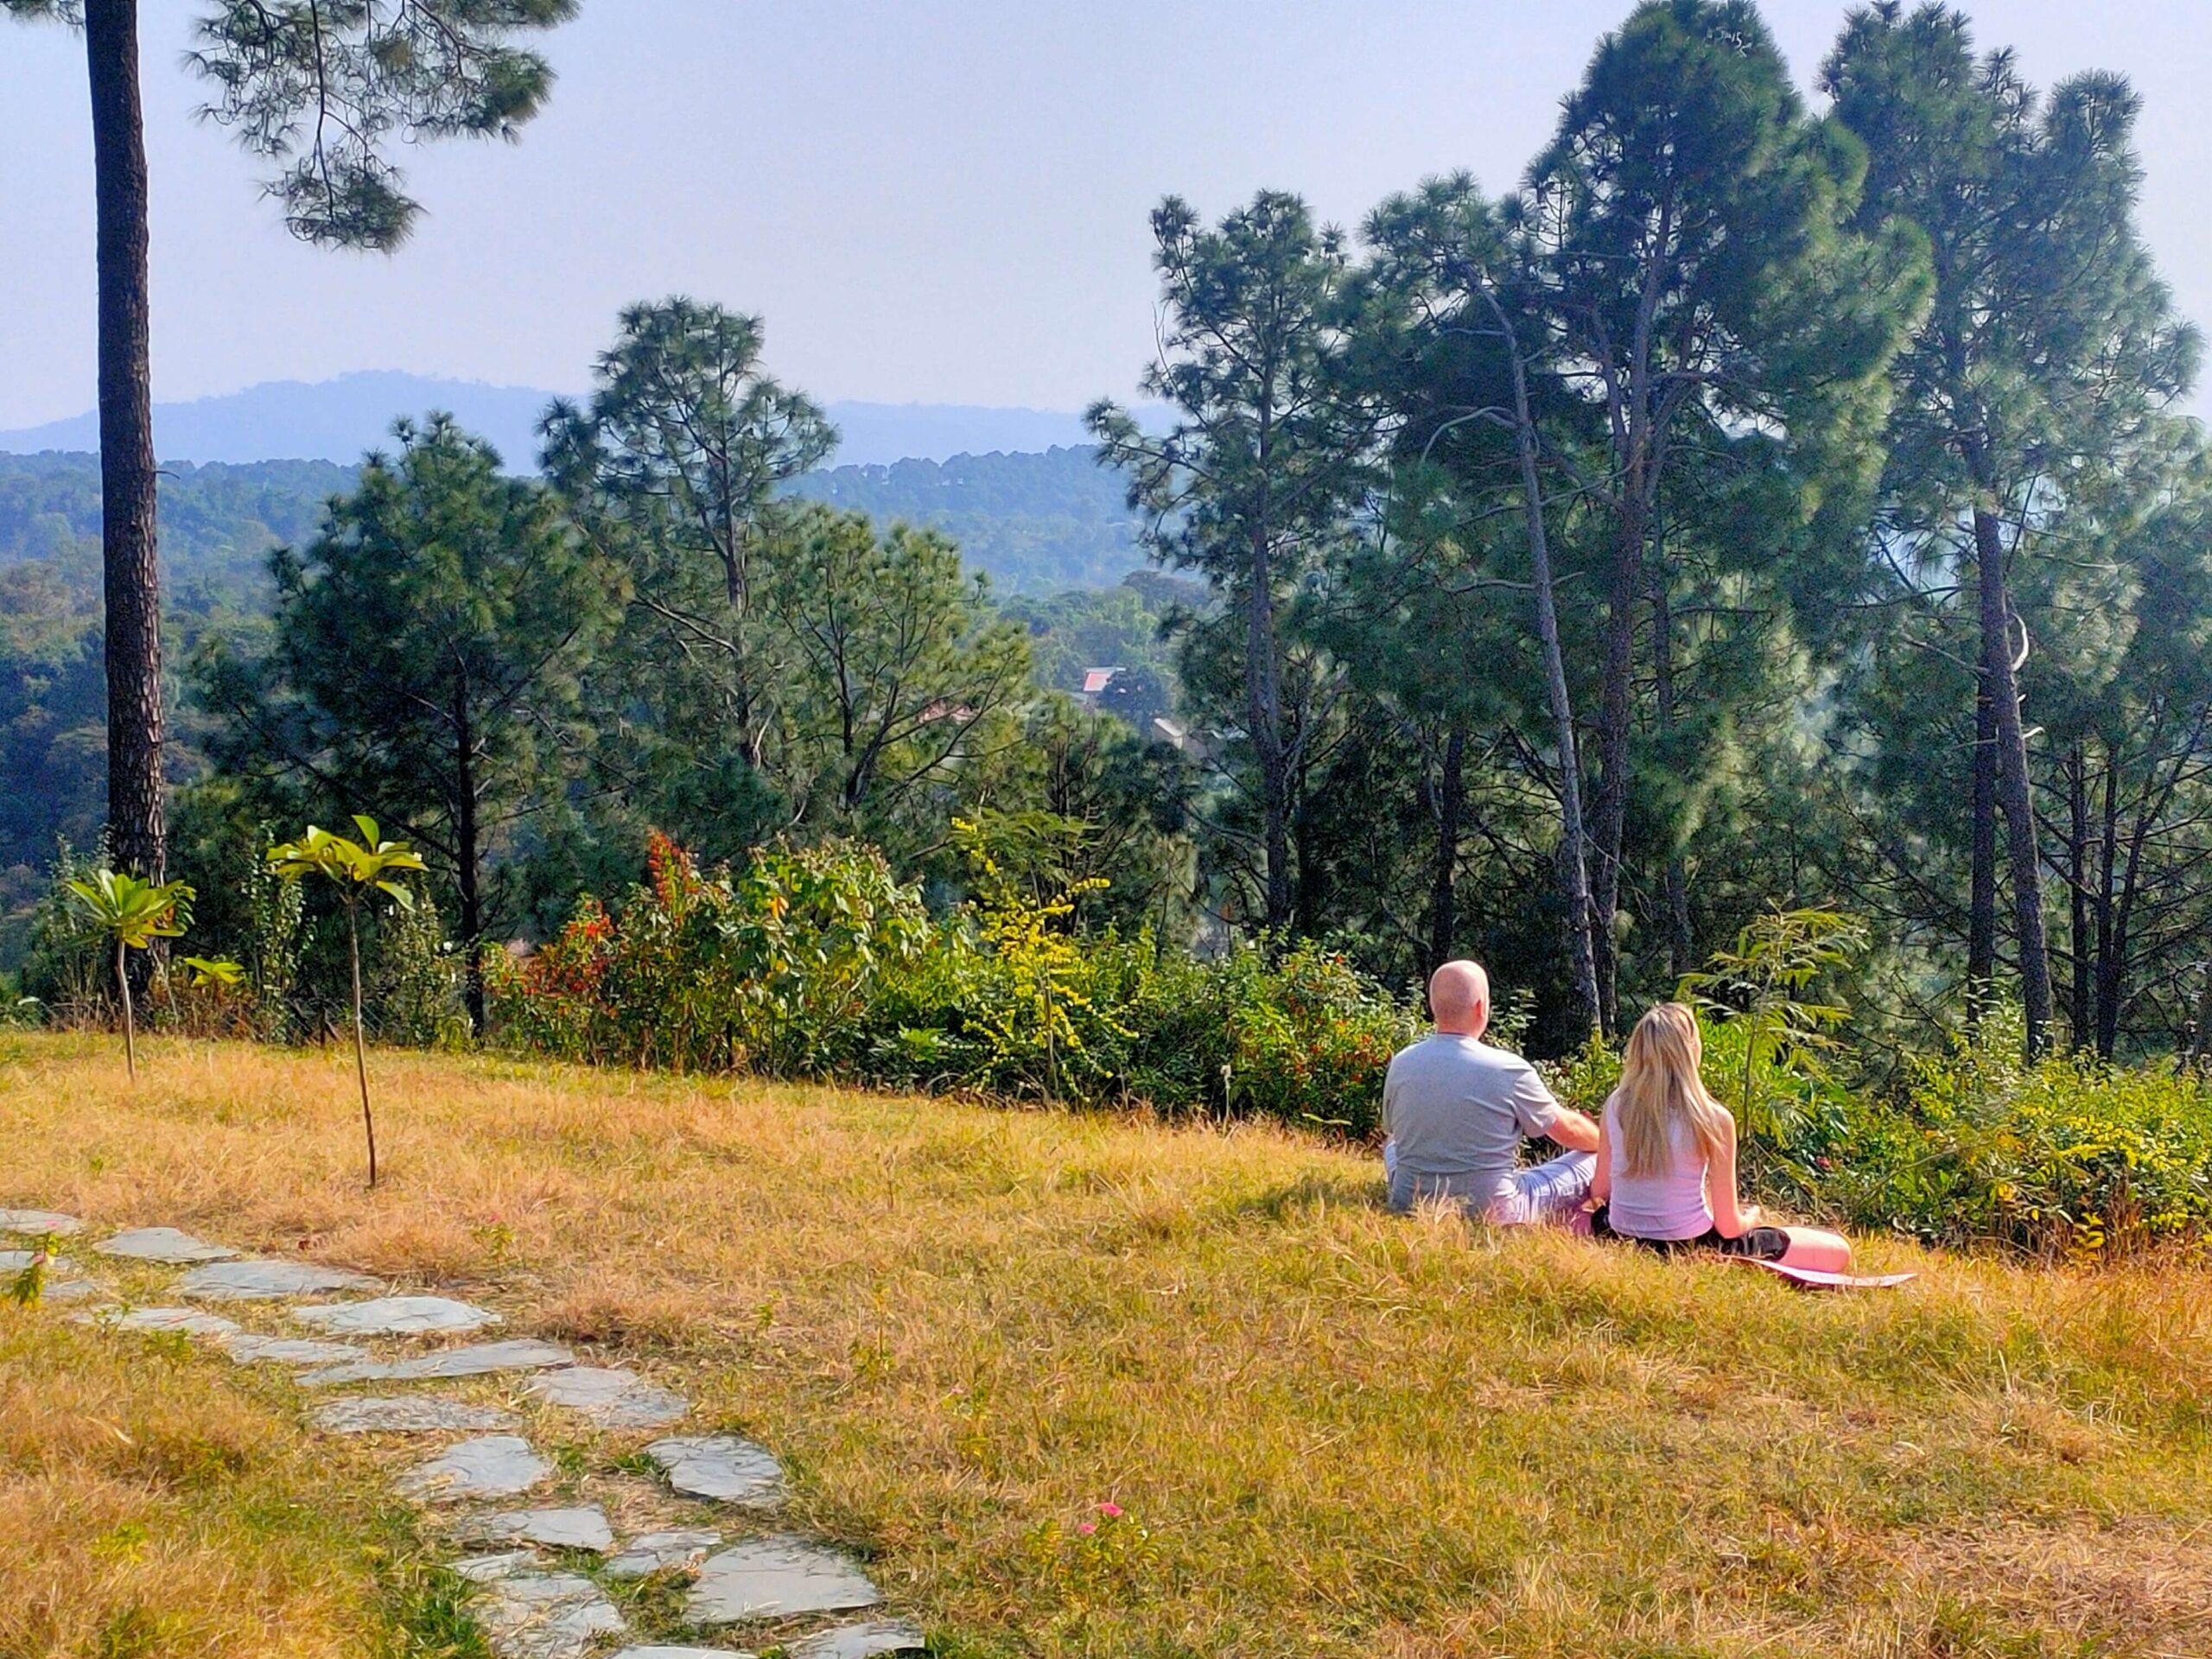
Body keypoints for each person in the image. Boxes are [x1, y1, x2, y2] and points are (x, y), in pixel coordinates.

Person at [1587, 1002, 1852, 1272]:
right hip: (1691, 1244)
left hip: (1619, 1235)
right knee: (1839, 1251)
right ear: (1691, 1050)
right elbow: (1728, 1228)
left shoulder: (1616, 1104)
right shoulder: (1713, 1117)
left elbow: (1600, 1191)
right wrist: (1753, 1217)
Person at [1382, 959, 1600, 1223]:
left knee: (1392, 1144)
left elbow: (1392, 1129)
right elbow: (1569, 1131)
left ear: (1433, 1006)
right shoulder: (1508, 1068)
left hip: (1409, 1201)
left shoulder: (1402, 1061)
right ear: (1481, 1007)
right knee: (1595, 1159)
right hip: (1493, 1210)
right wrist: (1605, 1143)